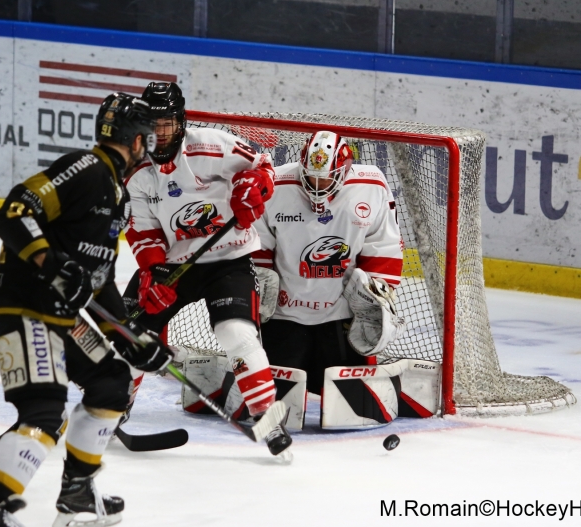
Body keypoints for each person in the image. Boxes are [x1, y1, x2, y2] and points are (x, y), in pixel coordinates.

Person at [0, 92, 173, 527]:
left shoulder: (116, 194)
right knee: (45, 412)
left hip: (57, 317)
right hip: (23, 308)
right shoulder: (86, 169)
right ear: (136, 141)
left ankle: (78, 494)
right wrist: (52, 262)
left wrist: (130, 335)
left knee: (111, 381)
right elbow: (12, 213)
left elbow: (97, 281)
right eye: (146, 137)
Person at [122, 82, 292, 455]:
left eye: (166, 123)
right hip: (172, 266)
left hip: (228, 260)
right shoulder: (135, 168)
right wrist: (151, 272)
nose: (159, 133)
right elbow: (143, 230)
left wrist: (255, 187)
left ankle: (268, 417)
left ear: (181, 122)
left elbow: (263, 166)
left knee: (236, 334)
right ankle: (115, 404)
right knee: (131, 334)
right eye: (152, 124)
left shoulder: (211, 145)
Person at [252, 131, 404, 411]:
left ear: (344, 170)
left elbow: (383, 245)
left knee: (354, 406)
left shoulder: (371, 186)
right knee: (272, 404)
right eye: (312, 176)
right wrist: (258, 284)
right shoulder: (276, 184)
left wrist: (378, 290)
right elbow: (256, 243)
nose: (318, 184)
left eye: (326, 177)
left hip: (341, 316)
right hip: (286, 314)